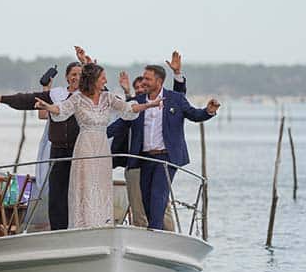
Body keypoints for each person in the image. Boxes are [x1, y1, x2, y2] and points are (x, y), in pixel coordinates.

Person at [35, 63, 161, 229]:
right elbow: (61, 109)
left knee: (101, 185)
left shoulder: (108, 98)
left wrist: (150, 105)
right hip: (84, 147)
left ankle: (101, 223)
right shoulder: (77, 98)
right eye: (102, 78)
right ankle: (82, 223)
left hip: (102, 148)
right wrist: (47, 106)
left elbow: (129, 108)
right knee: (85, 185)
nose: (105, 81)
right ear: (93, 80)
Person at [118, 64, 221, 230]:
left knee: (158, 197)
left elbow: (194, 114)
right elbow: (120, 122)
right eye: (143, 78)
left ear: (158, 81)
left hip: (166, 157)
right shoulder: (138, 101)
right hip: (144, 158)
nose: (143, 82)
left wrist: (208, 111)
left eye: (147, 79)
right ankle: (155, 231)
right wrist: (97, 133)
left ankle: (155, 233)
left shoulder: (175, 99)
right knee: (146, 199)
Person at [0, 62, 82, 230]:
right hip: (58, 150)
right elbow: (29, 100)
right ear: (67, 77)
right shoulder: (56, 94)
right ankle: (58, 231)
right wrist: (3, 99)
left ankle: (79, 227)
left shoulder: (88, 95)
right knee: (56, 194)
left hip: (80, 150)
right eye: (73, 74)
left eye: (80, 74)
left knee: (77, 191)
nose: (76, 77)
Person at [110, 52, 187, 229]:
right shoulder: (134, 104)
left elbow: (178, 98)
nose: (141, 88)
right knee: (140, 206)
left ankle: (165, 235)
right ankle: (145, 234)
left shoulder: (167, 100)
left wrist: (177, 74)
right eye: (137, 87)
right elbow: (125, 114)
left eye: (144, 83)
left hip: (159, 159)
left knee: (160, 202)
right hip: (135, 161)